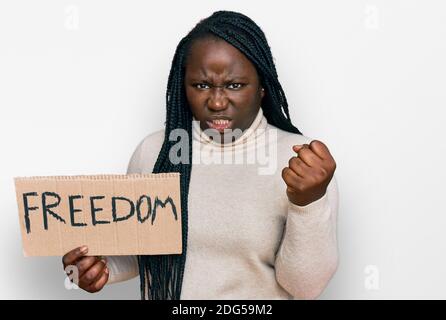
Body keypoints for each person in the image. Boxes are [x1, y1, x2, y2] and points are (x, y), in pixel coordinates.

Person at [62, 10, 339, 300]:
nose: (217, 102)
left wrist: (307, 202)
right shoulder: (155, 152)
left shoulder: (302, 164)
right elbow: (139, 251)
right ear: (183, 88)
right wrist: (97, 266)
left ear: (261, 89)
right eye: (201, 85)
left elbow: (305, 288)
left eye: (235, 85)